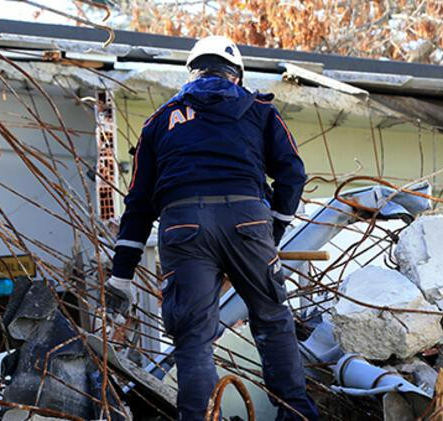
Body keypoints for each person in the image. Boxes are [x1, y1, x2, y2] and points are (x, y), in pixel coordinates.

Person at [104, 36, 320, 421]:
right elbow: (293, 175)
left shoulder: (159, 121)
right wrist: (271, 233)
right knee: (271, 317)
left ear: (191, 73)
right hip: (248, 219)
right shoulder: (259, 110)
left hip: (182, 224)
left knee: (193, 338)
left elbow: (137, 202)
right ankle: (297, 415)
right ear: (236, 75)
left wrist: (121, 274)